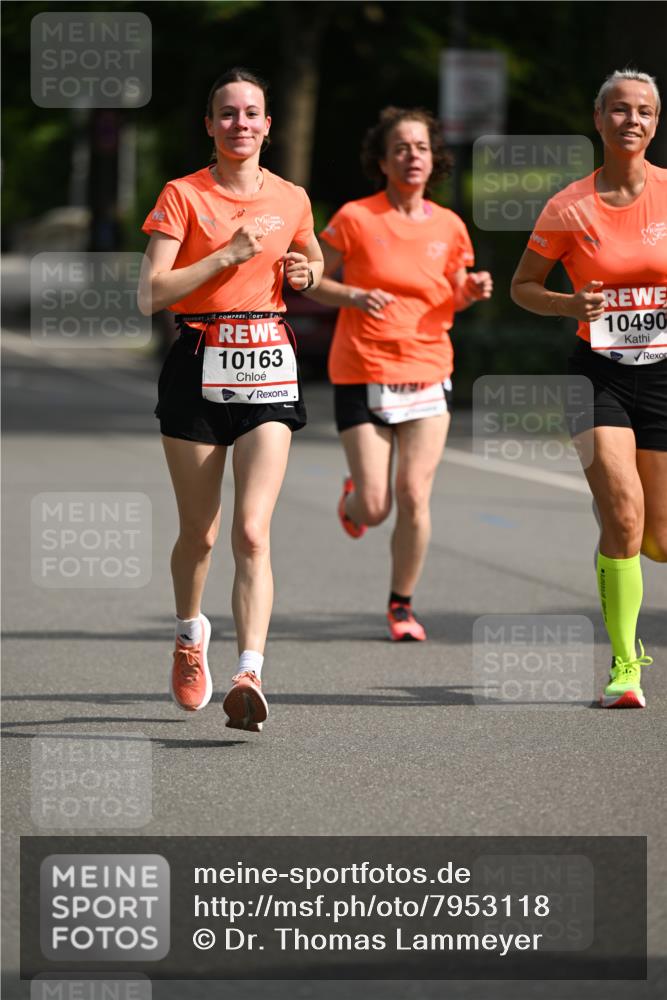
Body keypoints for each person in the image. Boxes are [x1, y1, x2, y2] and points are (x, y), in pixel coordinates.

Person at [138, 67, 323, 730]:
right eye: (227, 113)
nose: (239, 123)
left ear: (268, 125)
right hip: (197, 362)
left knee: (251, 530)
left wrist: (307, 272)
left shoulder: (291, 197)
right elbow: (150, 293)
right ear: (210, 125)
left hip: (268, 365)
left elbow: (313, 260)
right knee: (201, 533)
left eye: (250, 113)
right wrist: (222, 257)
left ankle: (249, 671)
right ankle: (190, 636)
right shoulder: (183, 195)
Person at [511, 69, 666, 708]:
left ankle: (620, 516)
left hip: (663, 375)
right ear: (599, 119)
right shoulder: (568, 206)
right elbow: (523, 286)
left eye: (645, 111)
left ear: (656, 123)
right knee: (624, 513)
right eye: (620, 110)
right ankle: (625, 665)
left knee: (658, 540)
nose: (633, 120)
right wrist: (568, 304)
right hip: (596, 375)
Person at [306, 107, 492, 640]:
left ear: (434, 160)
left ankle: (402, 605)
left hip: (428, 368)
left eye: (422, 148)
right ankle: (354, 499)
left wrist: (470, 290)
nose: (413, 157)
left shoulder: (449, 225)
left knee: (413, 495)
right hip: (362, 368)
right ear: (383, 161)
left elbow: (453, 291)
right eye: (402, 148)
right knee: (375, 507)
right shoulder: (355, 218)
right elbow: (312, 279)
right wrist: (354, 295)